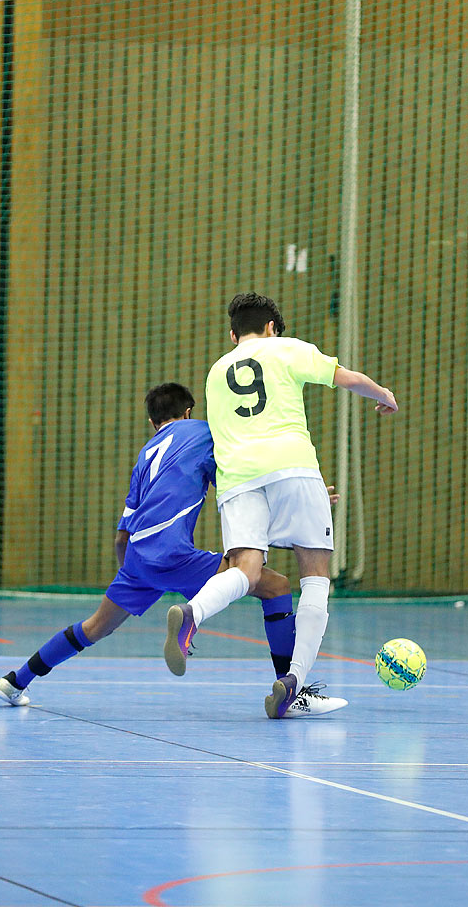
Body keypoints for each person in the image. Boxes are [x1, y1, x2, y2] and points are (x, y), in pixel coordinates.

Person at [0, 382, 345, 716]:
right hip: (173, 553)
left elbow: (122, 536)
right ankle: (291, 693)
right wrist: (303, 499)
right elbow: (244, 484)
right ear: (189, 412)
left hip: (136, 557)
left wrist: (133, 577)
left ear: (152, 422)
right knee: (278, 587)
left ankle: (14, 681)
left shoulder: (145, 456)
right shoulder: (205, 433)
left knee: (94, 627)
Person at [165, 293, 397, 719]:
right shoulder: (288, 349)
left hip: (237, 480)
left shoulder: (216, 372)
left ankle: (192, 612)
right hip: (292, 466)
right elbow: (346, 378)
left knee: (247, 570)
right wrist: (383, 394)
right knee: (315, 576)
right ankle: (294, 682)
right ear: (272, 327)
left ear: (232, 334)